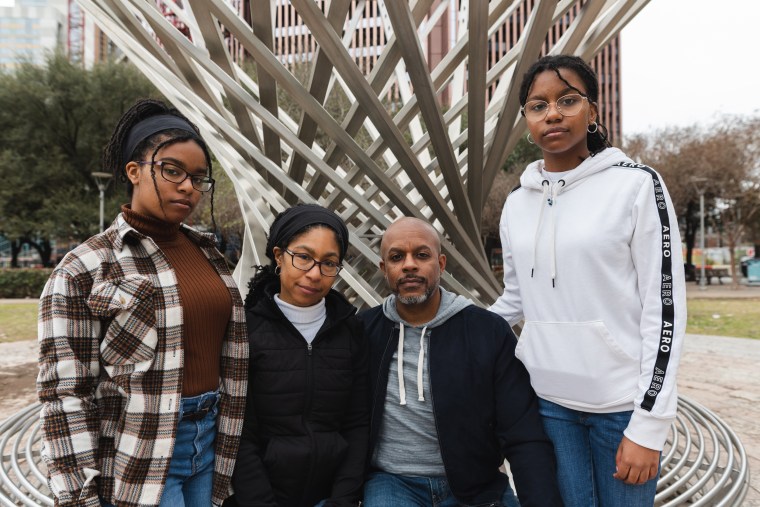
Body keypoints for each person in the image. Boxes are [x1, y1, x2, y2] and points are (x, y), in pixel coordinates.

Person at [489, 54, 686, 506]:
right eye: (538, 106)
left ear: (592, 111)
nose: (552, 113)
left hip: (620, 410)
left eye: (567, 100)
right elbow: (516, 299)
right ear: (526, 119)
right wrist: (449, 324)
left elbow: (665, 310)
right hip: (545, 405)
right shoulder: (518, 204)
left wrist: (648, 425)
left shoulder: (636, 186)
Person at [36, 98, 248, 507]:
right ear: (134, 172)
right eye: (172, 170)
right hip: (143, 452)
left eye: (199, 177)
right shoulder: (84, 267)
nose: (188, 186)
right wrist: (79, 496)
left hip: (213, 443)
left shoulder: (210, 255)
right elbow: (65, 393)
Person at [358, 217, 562, 507]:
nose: (409, 265)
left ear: (441, 264)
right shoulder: (363, 332)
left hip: (475, 486)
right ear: (384, 269)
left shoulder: (487, 332)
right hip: (392, 483)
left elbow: (522, 431)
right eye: (396, 257)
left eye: (421, 255)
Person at [228, 204, 369, 507]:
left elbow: (358, 425)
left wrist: (341, 500)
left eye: (329, 263)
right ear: (279, 256)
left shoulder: (350, 331)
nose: (315, 274)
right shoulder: (245, 332)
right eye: (303, 257)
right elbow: (240, 434)